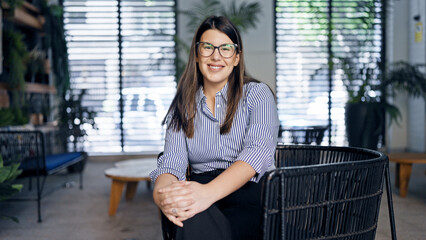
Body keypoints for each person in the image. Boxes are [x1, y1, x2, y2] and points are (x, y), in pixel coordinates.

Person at [150, 15, 280, 240]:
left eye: (226, 48)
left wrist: (207, 194)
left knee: (193, 217)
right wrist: (163, 195)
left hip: (248, 194)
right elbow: (172, 162)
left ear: (237, 57)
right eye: (207, 47)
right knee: (188, 211)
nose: (216, 56)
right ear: (197, 54)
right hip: (199, 188)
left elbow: (258, 152)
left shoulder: (257, 94)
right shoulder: (183, 104)